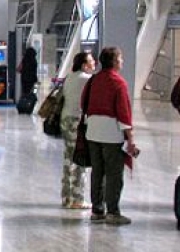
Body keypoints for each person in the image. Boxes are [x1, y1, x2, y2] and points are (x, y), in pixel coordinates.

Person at [83, 46, 136, 226]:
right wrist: (130, 138)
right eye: (120, 58)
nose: (122, 61)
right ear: (114, 61)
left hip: (92, 132)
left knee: (97, 171)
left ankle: (97, 210)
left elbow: (84, 103)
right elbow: (123, 112)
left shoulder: (93, 80)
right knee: (113, 173)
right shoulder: (118, 83)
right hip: (111, 133)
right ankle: (113, 212)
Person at [61, 51, 95, 210]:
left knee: (68, 159)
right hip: (76, 121)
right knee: (79, 159)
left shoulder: (69, 77)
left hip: (65, 119)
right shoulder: (86, 79)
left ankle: (66, 197)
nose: (94, 63)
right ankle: (77, 199)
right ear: (84, 65)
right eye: (91, 61)